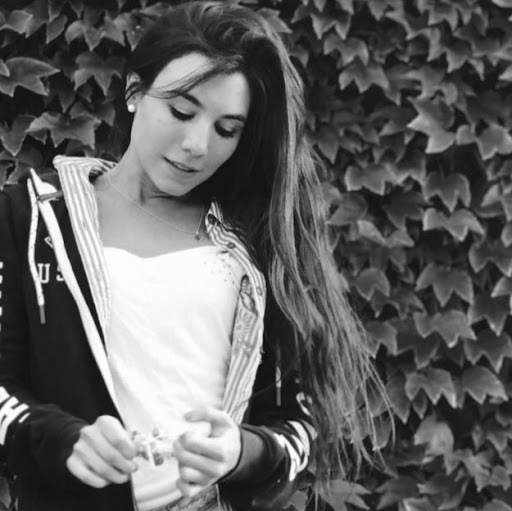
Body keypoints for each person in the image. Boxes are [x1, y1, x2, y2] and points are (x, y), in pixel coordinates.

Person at [0, 2, 391, 511]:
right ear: (135, 92)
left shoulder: (255, 242)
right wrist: (60, 439)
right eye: (182, 112)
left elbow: (297, 421)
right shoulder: (32, 218)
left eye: (227, 129)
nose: (196, 145)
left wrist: (239, 452)